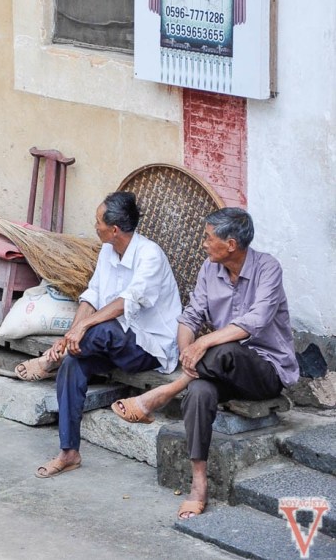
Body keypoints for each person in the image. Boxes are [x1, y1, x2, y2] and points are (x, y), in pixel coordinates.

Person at [110, 207, 299, 519]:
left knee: (225, 349)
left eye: (208, 238)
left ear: (231, 244)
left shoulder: (268, 268)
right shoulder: (210, 269)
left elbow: (257, 320)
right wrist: (188, 352)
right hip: (217, 368)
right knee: (199, 392)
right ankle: (199, 484)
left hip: (264, 371)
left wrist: (204, 342)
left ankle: (163, 393)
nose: (202, 243)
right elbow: (191, 316)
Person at [14, 191, 182, 478]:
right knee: (72, 365)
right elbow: (92, 297)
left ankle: (47, 361)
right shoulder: (108, 251)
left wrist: (81, 329)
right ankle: (69, 451)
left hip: (147, 347)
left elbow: (127, 302)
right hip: (109, 341)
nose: (95, 226)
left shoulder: (149, 255)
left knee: (101, 329)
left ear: (114, 229)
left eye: (98, 222)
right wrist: (72, 333)